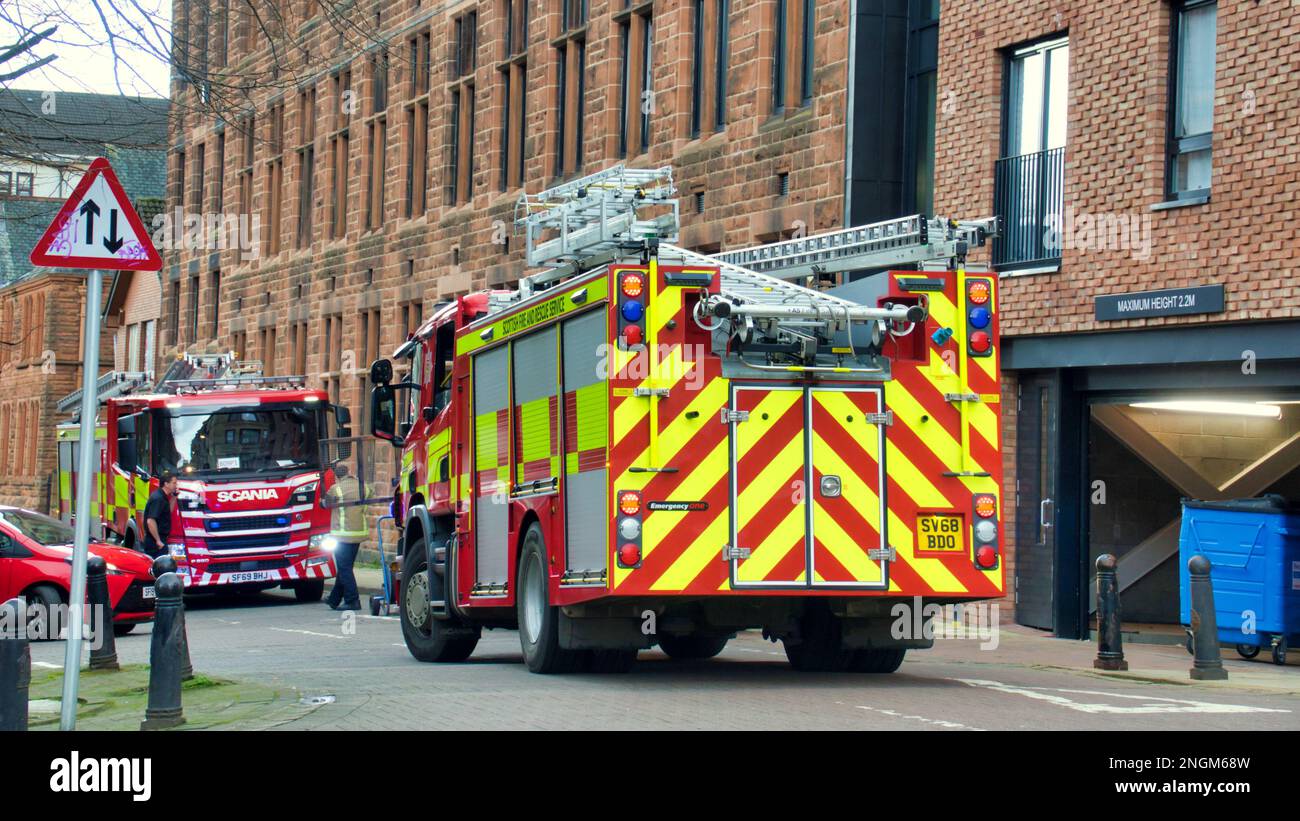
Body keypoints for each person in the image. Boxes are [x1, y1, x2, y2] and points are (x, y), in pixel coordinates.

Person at [323, 462, 370, 611]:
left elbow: (326, 504)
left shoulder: (336, 488)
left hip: (342, 535)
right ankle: (334, 599)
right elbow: (370, 495)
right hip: (358, 533)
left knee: (344, 568)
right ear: (349, 471)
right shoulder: (363, 486)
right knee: (346, 567)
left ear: (337, 475)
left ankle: (352, 600)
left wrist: (321, 502)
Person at [141, 471, 178, 558]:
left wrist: (174, 497)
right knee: (158, 567)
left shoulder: (163, 497)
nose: (176, 485)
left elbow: (169, 511)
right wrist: (158, 540)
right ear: (166, 484)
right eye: (174, 483)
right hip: (155, 543)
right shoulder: (158, 498)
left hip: (160, 540)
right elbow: (150, 521)